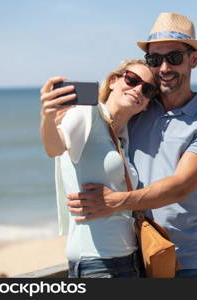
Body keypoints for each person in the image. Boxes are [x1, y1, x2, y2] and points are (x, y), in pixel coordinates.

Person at [66, 12, 197, 278]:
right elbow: (102, 99)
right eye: (154, 59)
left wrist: (116, 202)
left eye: (174, 58)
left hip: (188, 262)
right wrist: (55, 100)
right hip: (135, 259)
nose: (164, 68)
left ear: (194, 59)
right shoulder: (140, 103)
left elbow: (182, 186)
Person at [39, 59, 158, 278]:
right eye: (132, 80)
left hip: (131, 261)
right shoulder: (88, 112)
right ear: (113, 81)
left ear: (147, 104)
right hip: (97, 265)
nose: (138, 89)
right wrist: (47, 116)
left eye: (148, 89)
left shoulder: (123, 136)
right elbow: (55, 147)